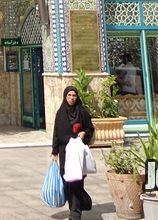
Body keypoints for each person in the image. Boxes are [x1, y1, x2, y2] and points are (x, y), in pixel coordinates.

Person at [51, 85, 95, 220]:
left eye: (74, 96)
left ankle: (75, 214)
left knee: (76, 181)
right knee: (67, 182)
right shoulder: (61, 113)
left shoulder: (82, 113)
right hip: (64, 152)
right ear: (65, 97)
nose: (71, 98)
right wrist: (54, 151)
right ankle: (82, 201)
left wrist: (83, 133)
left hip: (76, 152)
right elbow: (56, 133)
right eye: (69, 96)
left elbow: (90, 128)